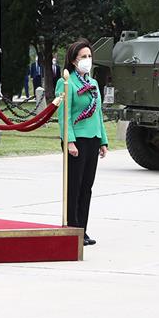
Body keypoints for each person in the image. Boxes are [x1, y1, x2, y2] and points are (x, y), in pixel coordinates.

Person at [57, 38, 109, 246]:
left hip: (93, 139)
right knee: (74, 186)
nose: (87, 60)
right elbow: (65, 115)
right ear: (73, 60)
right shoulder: (66, 81)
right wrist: (69, 141)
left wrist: (103, 140)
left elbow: (98, 114)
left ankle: (83, 230)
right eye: (83, 57)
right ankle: (72, 227)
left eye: (89, 56)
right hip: (76, 140)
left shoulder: (93, 83)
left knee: (87, 186)